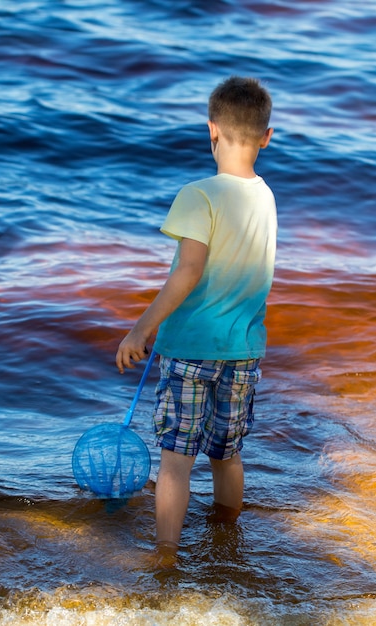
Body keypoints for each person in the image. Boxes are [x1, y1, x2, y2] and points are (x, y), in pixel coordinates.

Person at [115, 76, 277, 559]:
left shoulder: (198, 194)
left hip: (189, 350)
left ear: (211, 130)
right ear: (267, 136)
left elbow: (188, 271)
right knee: (227, 455)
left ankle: (166, 555)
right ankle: (228, 541)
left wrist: (142, 327)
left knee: (176, 459)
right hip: (243, 351)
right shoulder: (265, 196)